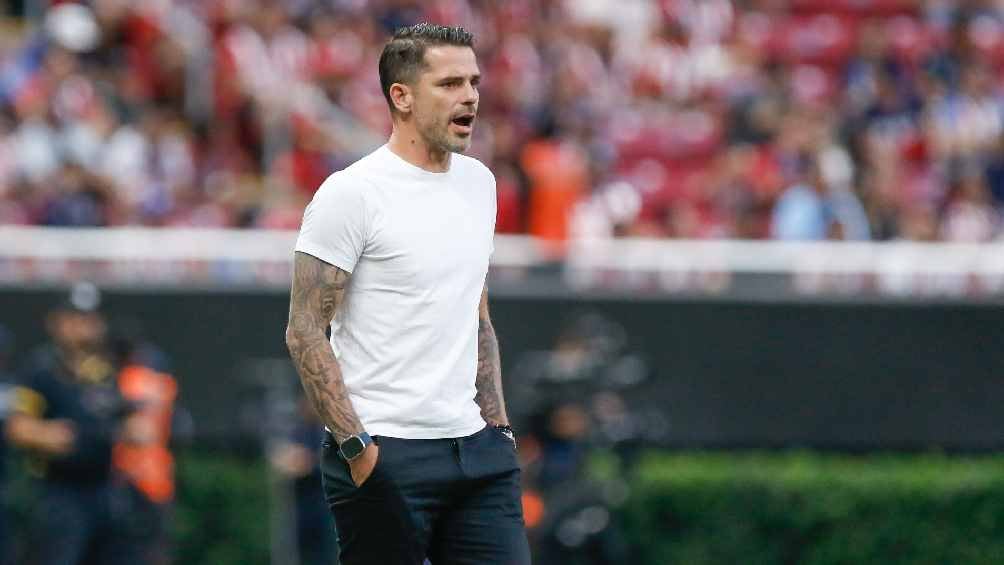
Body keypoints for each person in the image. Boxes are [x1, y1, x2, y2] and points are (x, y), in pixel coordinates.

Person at [285, 23, 530, 565]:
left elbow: (477, 315)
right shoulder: (352, 193)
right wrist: (356, 446)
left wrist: (499, 428)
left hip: (477, 451)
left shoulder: (480, 183)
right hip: (386, 450)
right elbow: (304, 329)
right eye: (449, 84)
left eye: (474, 82)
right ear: (402, 96)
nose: (470, 96)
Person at [6, 283, 135, 565]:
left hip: (104, 488)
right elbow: (17, 427)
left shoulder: (105, 372)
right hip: (59, 491)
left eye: (90, 319)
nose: (83, 327)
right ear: (57, 322)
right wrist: (48, 435)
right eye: (75, 319)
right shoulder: (40, 369)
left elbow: (122, 420)